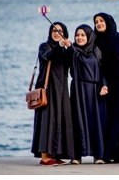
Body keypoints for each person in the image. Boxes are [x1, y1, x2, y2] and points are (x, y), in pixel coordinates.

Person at [31, 22, 74, 165]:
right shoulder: (45, 46)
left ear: (64, 33)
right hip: (47, 89)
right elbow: (48, 56)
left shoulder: (64, 49)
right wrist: (60, 46)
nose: (56, 33)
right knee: (47, 120)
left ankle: (55, 155)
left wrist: (71, 47)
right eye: (53, 30)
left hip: (62, 91)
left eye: (59, 31)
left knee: (61, 120)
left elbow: (73, 65)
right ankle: (45, 157)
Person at [93, 12, 119, 163]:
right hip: (103, 86)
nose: (98, 23)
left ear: (109, 22)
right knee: (106, 119)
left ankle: (114, 153)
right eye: (96, 21)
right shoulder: (95, 41)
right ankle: (107, 153)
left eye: (101, 20)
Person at [70, 25, 107, 164]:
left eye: (83, 35)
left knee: (96, 121)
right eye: (77, 35)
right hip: (79, 89)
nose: (79, 38)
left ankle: (99, 155)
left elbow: (103, 70)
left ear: (89, 36)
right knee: (77, 120)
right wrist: (68, 46)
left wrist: (104, 84)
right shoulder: (73, 51)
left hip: (95, 90)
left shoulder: (97, 51)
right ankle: (76, 155)